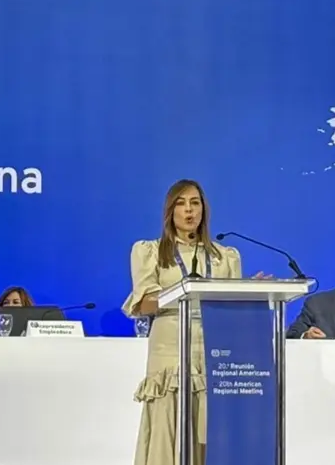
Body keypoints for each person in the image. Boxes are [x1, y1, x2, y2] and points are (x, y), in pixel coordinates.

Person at [122, 179, 257, 465]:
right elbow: (143, 303)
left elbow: (234, 308)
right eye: (181, 203)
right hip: (169, 347)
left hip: (213, 350)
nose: (189, 210)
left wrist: (250, 292)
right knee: (167, 428)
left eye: (195, 203)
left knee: (210, 434)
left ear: (204, 210)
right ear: (170, 211)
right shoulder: (150, 251)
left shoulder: (225, 256)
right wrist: (183, 291)